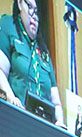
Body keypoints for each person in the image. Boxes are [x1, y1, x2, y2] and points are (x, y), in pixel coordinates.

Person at [0, 0, 66, 129]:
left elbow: (56, 102)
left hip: (42, 128)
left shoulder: (43, 50)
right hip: (15, 120)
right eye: (29, 7)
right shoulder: (8, 26)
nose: (33, 16)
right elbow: (0, 70)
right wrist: (10, 97)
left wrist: (59, 122)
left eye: (37, 12)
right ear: (19, 4)